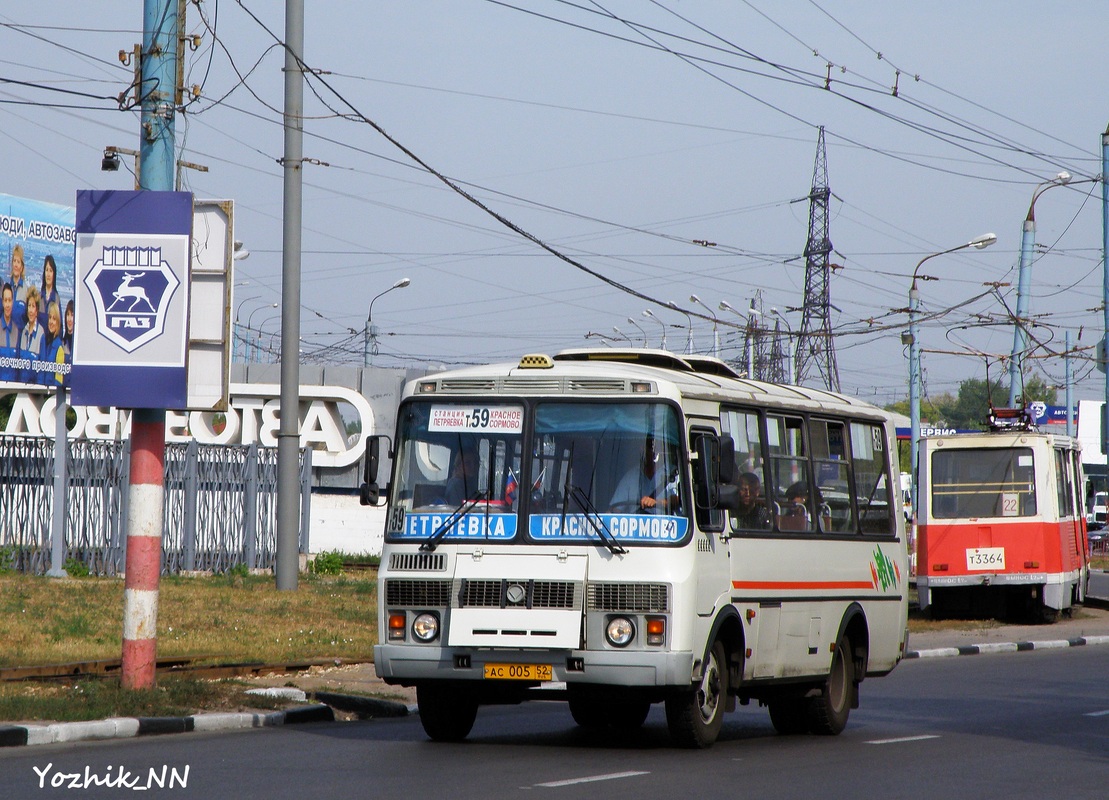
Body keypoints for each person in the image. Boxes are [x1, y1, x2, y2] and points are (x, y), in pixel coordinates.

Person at [609, 437, 680, 513]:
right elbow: (615, 509)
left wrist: (657, 502)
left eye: (653, 447)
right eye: (646, 447)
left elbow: (679, 499)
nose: (652, 452)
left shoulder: (673, 472)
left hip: (666, 524)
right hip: (636, 524)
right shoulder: (631, 477)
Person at [18, 285, 44, 384]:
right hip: (21, 385)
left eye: (33, 306)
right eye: (29, 306)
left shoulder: (41, 333)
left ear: (37, 310)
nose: (31, 310)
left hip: (34, 387)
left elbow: (42, 366)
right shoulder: (24, 331)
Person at [0, 283, 20, 382]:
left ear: (13, 302)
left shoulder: (16, 331)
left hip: (13, 388)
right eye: (5, 300)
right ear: (2, 302)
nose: (7, 304)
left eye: (10, 300)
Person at [42, 301, 64, 386]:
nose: (51, 321)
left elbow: (58, 380)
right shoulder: (44, 340)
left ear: (58, 322)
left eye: (54, 319)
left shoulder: (59, 348)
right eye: (50, 318)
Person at [9, 244, 27, 327]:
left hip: (20, 337)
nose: (16, 265)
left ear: (22, 266)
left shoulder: (26, 291)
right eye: (14, 261)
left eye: (18, 262)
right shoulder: (7, 288)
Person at [38, 255, 60, 322]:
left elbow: (59, 326)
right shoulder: (39, 297)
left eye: (51, 270)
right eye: (46, 270)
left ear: (54, 274)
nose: (48, 274)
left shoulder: (56, 298)